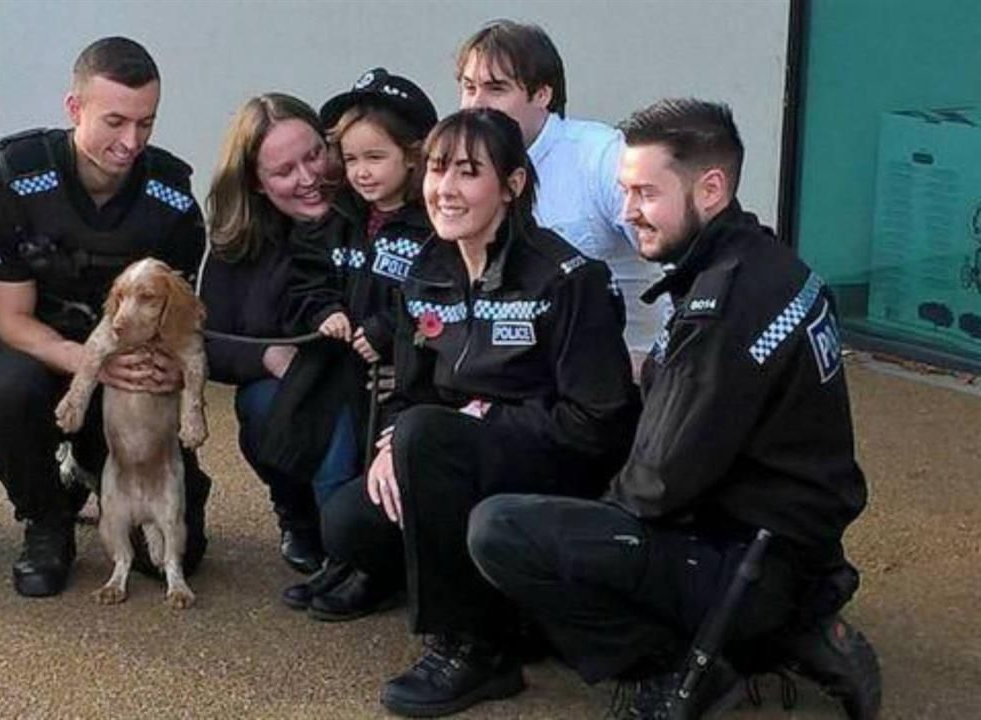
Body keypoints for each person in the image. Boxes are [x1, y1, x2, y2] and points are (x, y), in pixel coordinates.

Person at [468, 99, 881, 719]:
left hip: (747, 560)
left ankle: (689, 667)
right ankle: (793, 624)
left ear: (710, 188)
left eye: (645, 193)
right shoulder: (765, 262)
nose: (629, 212)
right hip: (792, 542)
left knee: (502, 531)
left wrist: (582, 519)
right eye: (624, 192)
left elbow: (656, 482)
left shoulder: (723, 308)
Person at [320, 108, 641, 718]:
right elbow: (408, 390)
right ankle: (490, 595)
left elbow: (598, 421)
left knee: (427, 442)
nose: (446, 188)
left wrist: (466, 425)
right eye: (438, 169)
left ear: (512, 185)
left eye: (469, 173)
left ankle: (475, 647)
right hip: (448, 449)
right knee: (347, 525)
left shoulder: (569, 279)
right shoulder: (428, 271)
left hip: (556, 463)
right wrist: (392, 445)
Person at [0, 37, 211, 598]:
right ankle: (45, 518)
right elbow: (8, 317)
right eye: (115, 121)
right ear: (75, 109)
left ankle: (91, 468)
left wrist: (172, 372)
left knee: (180, 551)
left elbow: (181, 324)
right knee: (0, 387)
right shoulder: (9, 183)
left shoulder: (172, 200)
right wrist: (92, 367)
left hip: (129, 376)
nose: (131, 141)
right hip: (37, 354)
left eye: (146, 123)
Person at [279, 68, 437, 610]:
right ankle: (341, 559)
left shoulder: (433, 225)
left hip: (402, 381)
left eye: (376, 158)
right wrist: (325, 309)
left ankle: (378, 569)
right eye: (350, 159)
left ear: (413, 156)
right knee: (334, 461)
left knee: (384, 473)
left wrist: (388, 331)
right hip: (343, 374)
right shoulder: (339, 217)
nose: (361, 172)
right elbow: (306, 275)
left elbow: (435, 294)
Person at [199, 93, 353, 577]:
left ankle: (352, 540)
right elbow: (210, 340)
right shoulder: (238, 240)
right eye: (285, 171)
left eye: (314, 156)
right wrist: (267, 357)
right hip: (292, 390)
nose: (308, 179)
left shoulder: (371, 209)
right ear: (258, 184)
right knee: (264, 403)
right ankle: (301, 518)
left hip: (373, 385)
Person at [455, 20, 666, 365]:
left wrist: (660, 364)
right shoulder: (456, 165)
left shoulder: (600, 156)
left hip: (615, 381)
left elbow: (675, 263)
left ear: (542, 94)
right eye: (468, 87)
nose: (476, 105)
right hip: (507, 379)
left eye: (496, 88)